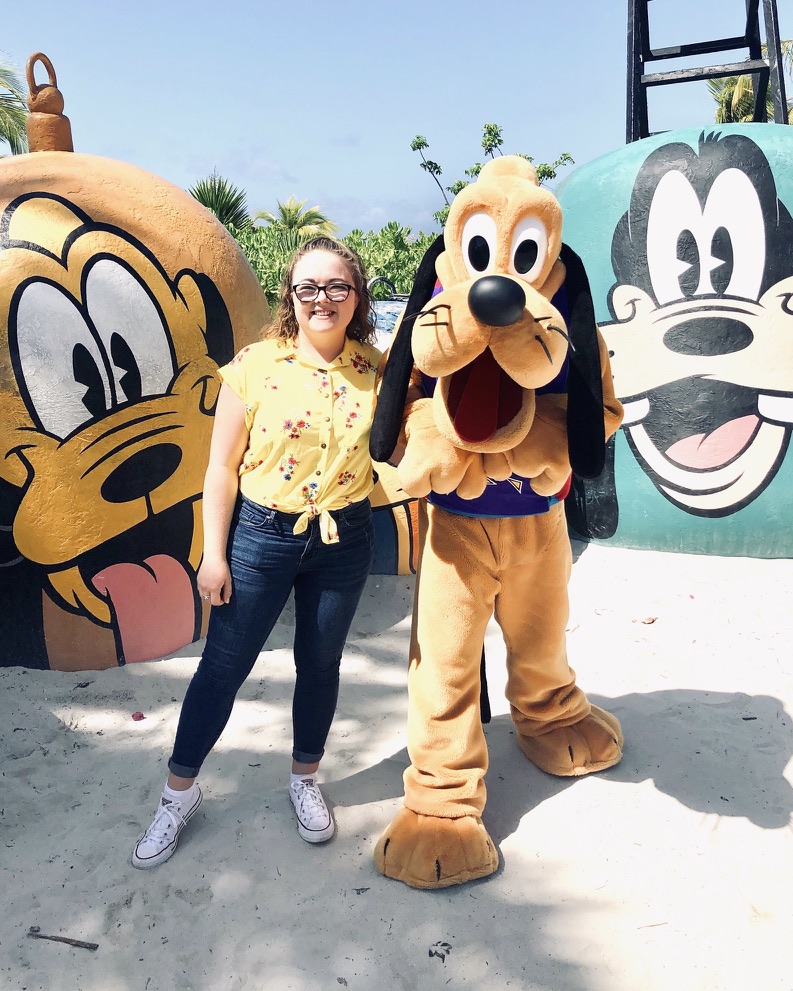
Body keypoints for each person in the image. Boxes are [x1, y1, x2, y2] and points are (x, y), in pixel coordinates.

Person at [132, 237, 382, 868]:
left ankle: (304, 779)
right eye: (308, 288)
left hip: (343, 538)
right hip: (261, 536)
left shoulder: (377, 371)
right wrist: (213, 553)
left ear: (357, 295)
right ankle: (177, 796)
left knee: (321, 665)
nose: (321, 300)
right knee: (223, 667)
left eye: (336, 288)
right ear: (289, 297)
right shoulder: (253, 365)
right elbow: (219, 467)